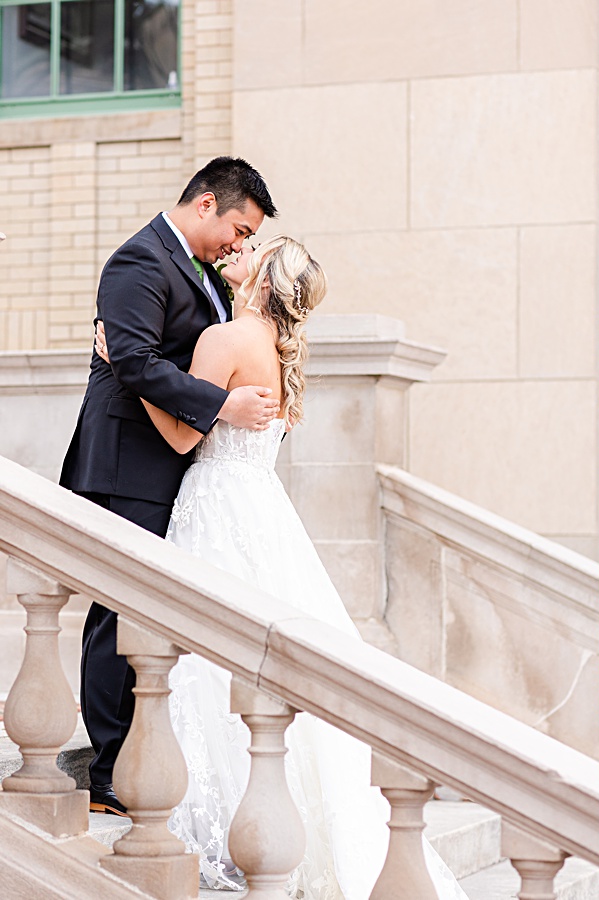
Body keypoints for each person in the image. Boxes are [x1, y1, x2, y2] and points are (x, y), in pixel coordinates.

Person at [96, 236, 467, 898]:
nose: (242, 257)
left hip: (213, 507)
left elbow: (183, 436)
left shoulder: (228, 337)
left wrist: (129, 368)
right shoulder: (280, 352)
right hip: (263, 512)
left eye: (255, 253)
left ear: (264, 281)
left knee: (206, 661)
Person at [60, 157, 280, 818]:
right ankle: (106, 775)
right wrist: (220, 408)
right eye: (238, 228)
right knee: (115, 615)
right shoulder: (140, 260)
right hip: (128, 464)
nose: (238, 245)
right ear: (206, 203)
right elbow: (133, 359)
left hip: (174, 466)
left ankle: (141, 754)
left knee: (147, 617)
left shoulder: (207, 277)